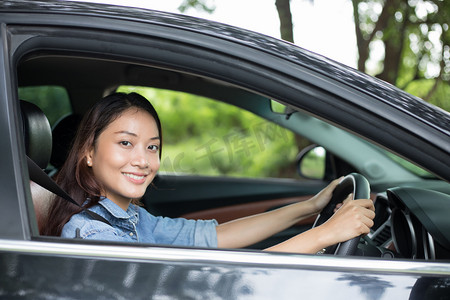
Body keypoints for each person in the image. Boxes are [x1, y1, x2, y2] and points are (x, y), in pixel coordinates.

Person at [42, 92, 375, 254]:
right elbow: (206, 286)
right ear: (88, 151)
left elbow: (213, 237)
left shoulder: (129, 218)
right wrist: (324, 234)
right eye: (126, 143)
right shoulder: (92, 235)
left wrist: (311, 207)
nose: (143, 160)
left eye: (152, 147)